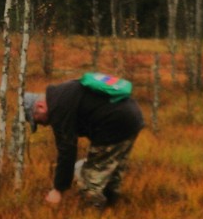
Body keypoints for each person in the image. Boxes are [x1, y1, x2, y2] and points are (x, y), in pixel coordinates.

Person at [22, 75, 145, 209]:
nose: (44, 125)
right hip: (132, 118)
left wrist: (58, 189)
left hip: (115, 124)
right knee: (111, 174)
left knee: (89, 184)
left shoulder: (58, 109)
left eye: (38, 121)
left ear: (40, 107)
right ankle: (114, 211)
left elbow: (67, 151)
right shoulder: (62, 93)